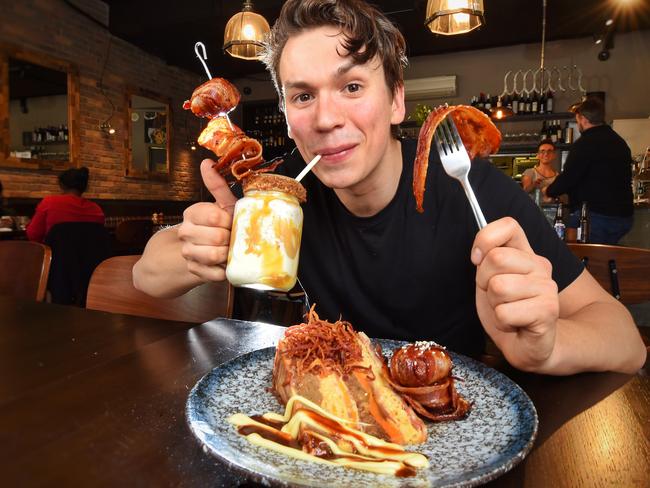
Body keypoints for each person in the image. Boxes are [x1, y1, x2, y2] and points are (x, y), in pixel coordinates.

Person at [133, 0, 645, 375]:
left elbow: (625, 339)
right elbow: (146, 277)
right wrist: (194, 250)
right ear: (287, 116)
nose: (327, 119)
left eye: (352, 87)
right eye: (303, 96)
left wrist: (548, 346)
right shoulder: (277, 194)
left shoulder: (469, 187)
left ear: (397, 100)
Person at [545, 97, 634, 244]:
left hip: (596, 216)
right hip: (624, 217)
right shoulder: (619, 142)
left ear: (583, 119)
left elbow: (569, 178)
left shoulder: (584, 144)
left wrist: (549, 191)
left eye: (578, 119)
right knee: (606, 257)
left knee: (583, 257)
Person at [26, 166, 105, 242]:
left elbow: (33, 235)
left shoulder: (49, 202)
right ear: (85, 187)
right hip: (91, 255)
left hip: (56, 255)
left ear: (61, 185)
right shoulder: (96, 209)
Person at [521, 140, 558, 204]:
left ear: (554, 155)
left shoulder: (557, 176)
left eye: (549, 151)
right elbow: (524, 191)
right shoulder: (529, 172)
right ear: (537, 155)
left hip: (551, 212)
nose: (546, 154)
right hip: (533, 211)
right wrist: (533, 185)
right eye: (542, 151)